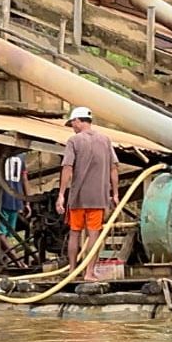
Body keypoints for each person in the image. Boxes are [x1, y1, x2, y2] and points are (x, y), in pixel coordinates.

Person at [56, 106, 119, 282]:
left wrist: (61, 194)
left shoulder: (74, 141)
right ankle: (89, 273)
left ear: (78, 120)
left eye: (72, 123)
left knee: (75, 233)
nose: (72, 126)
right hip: (99, 197)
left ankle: (72, 271)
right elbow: (114, 168)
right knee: (94, 234)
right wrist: (115, 193)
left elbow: (67, 167)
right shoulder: (105, 140)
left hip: (78, 197)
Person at [0, 152, 30, 238]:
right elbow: (25, 179)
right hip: (16, 198)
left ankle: (7, 246)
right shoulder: (21, 156)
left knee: (0, 232)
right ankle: (8, 245)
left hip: (2, 197)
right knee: (10, 231)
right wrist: (27, 202)